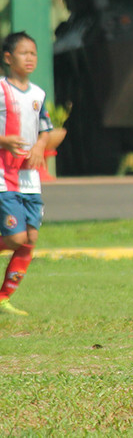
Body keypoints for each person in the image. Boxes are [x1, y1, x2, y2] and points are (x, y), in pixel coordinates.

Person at [0, 32, 54, 316]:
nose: (30, 58)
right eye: (24, 53)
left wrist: (40, 147)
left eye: (33, 53)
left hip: (29, 179)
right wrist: (4, 141)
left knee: (30, 239)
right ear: (8, 58)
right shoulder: (0, 89)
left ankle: (3, 298)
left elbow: (46, 130)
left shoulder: (38, 94)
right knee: (16, 239)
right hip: (3, 176)